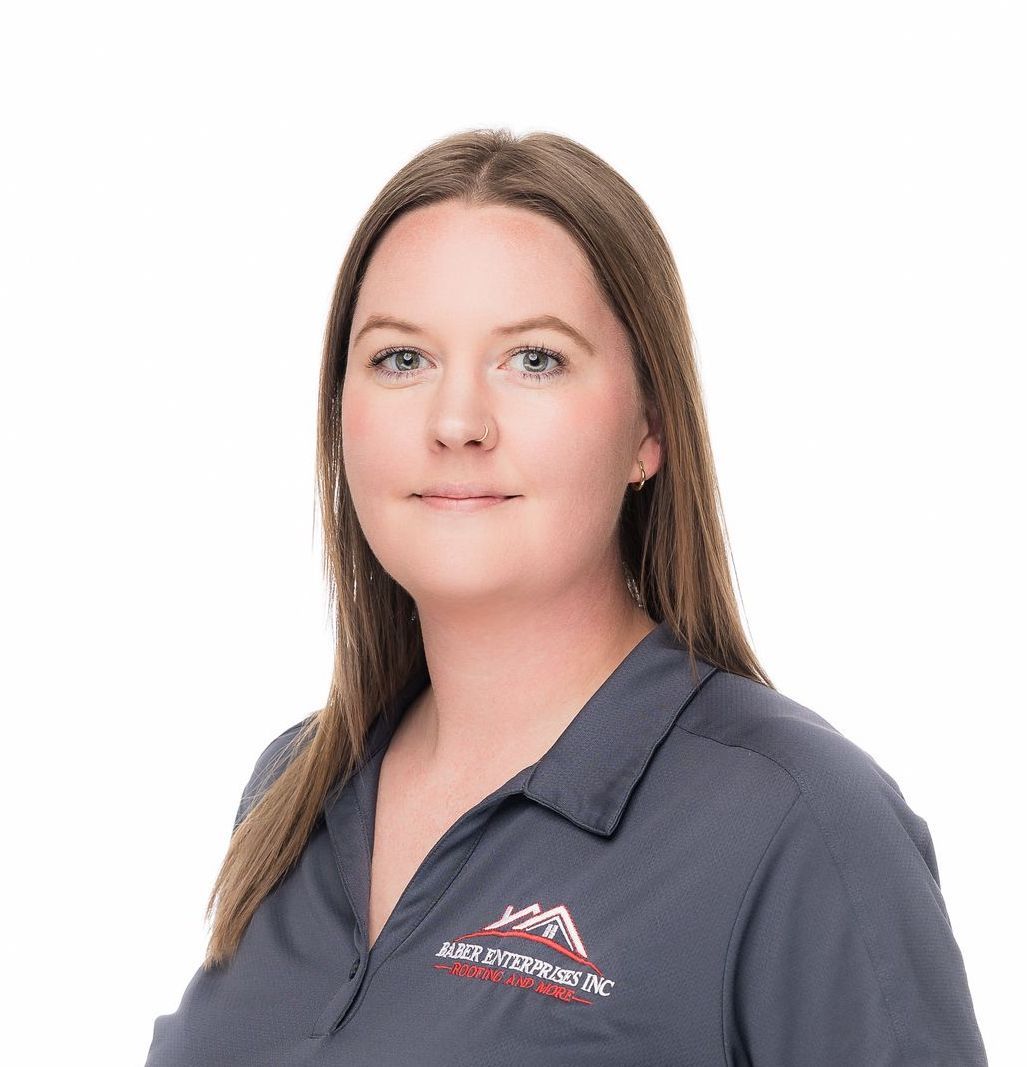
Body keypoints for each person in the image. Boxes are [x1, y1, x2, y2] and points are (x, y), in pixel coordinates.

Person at [143, 128, 988, 1065]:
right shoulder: (296, 787)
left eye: (534, 359)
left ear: (648, 429)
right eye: (400, 359)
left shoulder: (797, 820)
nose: (456, 421)